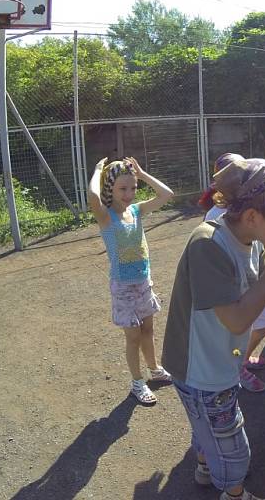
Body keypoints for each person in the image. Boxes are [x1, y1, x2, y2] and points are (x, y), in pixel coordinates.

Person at [161, 157, 265, 500]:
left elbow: (263, 286)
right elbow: (236, 318)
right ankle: (233, 492)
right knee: (234, 448)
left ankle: (206, 467)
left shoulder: (256, 242)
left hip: (220, 361)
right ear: (252, 216)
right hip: (200, 370)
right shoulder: (208, 243)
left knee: (206, 428)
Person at [87, 156, 175, 406]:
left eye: (133, 188)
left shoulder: (137, 211)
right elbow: (93, 197)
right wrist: (97, 170)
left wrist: (143, 174)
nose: (129, 194)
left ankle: (155, 369)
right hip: (123, 287)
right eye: (122, 189)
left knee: (148, 330)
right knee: (133, 337)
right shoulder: (106, 217)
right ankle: (138, 382)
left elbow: (166, 194)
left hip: (143, 282)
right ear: (110, 189)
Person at [201, 153, 265, 393]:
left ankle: (240, 359)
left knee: (261, 328)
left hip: (252, 283)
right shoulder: (213, 216)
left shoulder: (253, 208)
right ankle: (236, 366)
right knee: (240, 329)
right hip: (235, 288)